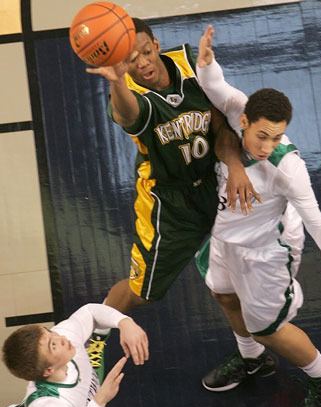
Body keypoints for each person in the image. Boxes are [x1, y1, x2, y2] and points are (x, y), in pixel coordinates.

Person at [194, 26, 321, 407]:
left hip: (265, 251)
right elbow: (215, 86)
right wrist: (205, 64)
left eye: (277, 138)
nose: (267, 147)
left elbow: (316, 220)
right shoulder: (237, 108)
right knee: (223, 295)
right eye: (262, 136)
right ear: (244, 121)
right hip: (226, 238)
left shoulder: (288, 169)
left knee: (266, 326)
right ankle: (252, 359)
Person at [83, 17, 266, 381]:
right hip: (169, 203)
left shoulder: (189, 66)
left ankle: (253, 356)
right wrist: (118, 82)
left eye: (146, 52)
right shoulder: (131, 92)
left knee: (233, 284)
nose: (143, 64)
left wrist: (235, 167)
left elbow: (219, 126)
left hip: (215, 186)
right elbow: (128, 114)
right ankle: (93, 338)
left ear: (155, 42)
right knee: (141, 293)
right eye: (131, 60)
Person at [2, 303, 149, 407]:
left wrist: (124, 322)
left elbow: (90, 312)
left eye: (49, 332)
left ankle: (97, 340)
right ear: (49, 370)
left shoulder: (62, 337)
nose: (61, 338)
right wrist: (100, 401)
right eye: (53, 345)